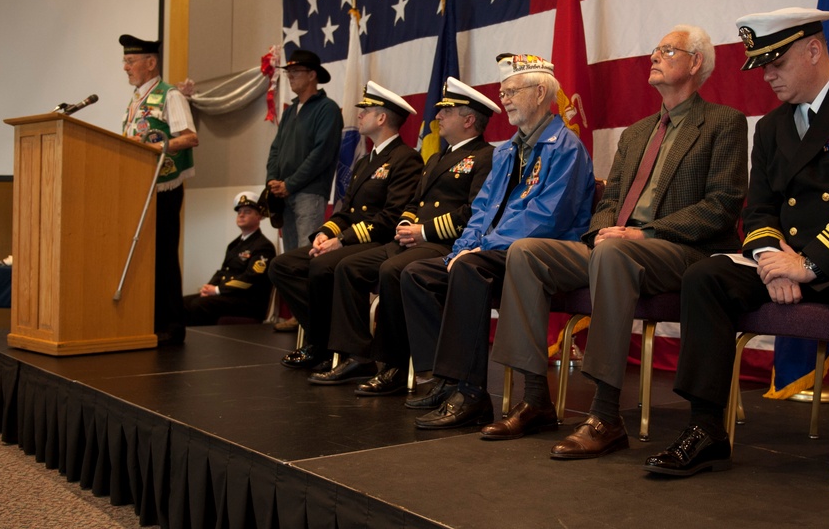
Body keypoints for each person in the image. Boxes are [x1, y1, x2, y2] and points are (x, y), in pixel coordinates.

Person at [643, 8, 829, 490]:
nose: (768, 76)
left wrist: (809, 262)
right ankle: (706, 427)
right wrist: (770, 262)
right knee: (705, 278)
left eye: (776, 63)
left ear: (813, 50)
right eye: (762, 66)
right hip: (788, 260)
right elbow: (759, 208)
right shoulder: (773, 125)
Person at [486, 26, 749, 457]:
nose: (654, 56)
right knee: (527, 253)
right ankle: (536, 400)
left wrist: (644, 232)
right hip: (617, 246)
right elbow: (609, 201)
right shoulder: (636, 131)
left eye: (668, 50)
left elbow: (721, 206)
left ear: (696, 63)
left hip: (684, 251)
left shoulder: (724, 122)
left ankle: (606, 415)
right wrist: (604, 231)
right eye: (655, 49)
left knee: (613, 251)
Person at [401, 53, 595, 429]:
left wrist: (483, 248)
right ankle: (446, 380)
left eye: (512, 91)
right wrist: (462, 248)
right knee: (418, 274)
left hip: (543, 253)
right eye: (503, 92)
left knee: (470, 270)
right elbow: (482, 209)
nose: (504, 99)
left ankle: (471, 394)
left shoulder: (566, 147)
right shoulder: (506, 150)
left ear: (540, 93)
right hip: (495, 250)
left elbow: (547, 218)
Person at [308, 78, 500, 393]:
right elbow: (414, 203)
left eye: (447, 111)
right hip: (411, 240)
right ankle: (357, 355)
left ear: (468, 120)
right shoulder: (436, 158)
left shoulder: (486, 156)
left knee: (392, 270)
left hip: (445, 244)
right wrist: (406, 225)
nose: (438, 116)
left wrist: (423, 231)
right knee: (348, 266)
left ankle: (395, 366)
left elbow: (474, 212)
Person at [271, 81, 423, 371]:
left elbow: (392, 217)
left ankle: (339, 349)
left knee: (323, 265)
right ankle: (325, 339)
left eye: (366, 110)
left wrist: (342, 240)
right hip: (351, 239)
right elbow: (347, 210)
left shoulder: (406, 159)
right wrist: (326, 233)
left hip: (377, 242)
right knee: (282, 266)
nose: (359, 115)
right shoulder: (365, 162)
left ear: (382, 118)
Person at [120, 34, 199, 346]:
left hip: (165, 186)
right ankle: (149, 319)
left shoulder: (170, 95)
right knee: (146, 256)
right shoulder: (136, 99)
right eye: (125, 61)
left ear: (150, 63)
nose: (125, 67)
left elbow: (190, 137)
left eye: (130, 61)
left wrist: (153, 147)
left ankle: (172, 324)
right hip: (140, 186)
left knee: (164, 255)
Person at [268, 49, 343, 332]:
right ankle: (300, 315)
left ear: (312, 75)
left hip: (309, 192)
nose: (290, 77)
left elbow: (321, 154)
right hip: (285, 194)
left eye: (295, 72)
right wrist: (272, 181)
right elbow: (275, 149)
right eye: (288, 72)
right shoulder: (290, 112)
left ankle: (312, 318)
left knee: (306, 254)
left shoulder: (327, 109)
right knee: (291, 256)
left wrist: (290, 183)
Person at [182, 191, 277, 326]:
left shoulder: (263, 245)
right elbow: (223, 271)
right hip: (229, 296)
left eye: (247, 211)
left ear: (259, 216)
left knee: (199, 305)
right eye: (239, 212)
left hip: (248, 301)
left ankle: (201, 338)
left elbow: (251, 279)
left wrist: (217, 290)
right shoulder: (234, 244)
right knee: (183, 302)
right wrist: (208, 287)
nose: (241, 215)